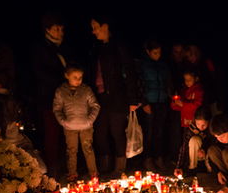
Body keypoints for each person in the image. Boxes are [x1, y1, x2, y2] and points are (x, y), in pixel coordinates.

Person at [87, 15, 139, 175]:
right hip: (100, 97)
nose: (93, 31)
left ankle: (120, 166)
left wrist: (132, 98)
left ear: (106, 26)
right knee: (100, 132)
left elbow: (130, 73)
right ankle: (105, 163)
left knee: (117, 132)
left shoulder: (119, 47)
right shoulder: (96, 48)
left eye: (96, 27)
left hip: (117, 97)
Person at [30, 12, 72, 175]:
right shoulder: (40, 48)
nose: (60, 32)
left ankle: (68, 167)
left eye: (62, 29)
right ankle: (53, 168)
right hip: (49, 98)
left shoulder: (65, 48)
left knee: (67, 134)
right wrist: (62, 80)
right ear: (47, 29)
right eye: (56, 29)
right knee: (51, 134)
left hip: (67, 98)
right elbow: (40, 72)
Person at [53, 64, 100, 181]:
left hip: (86, 126)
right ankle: (72, 173)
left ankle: (93, 173)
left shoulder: (86, 90)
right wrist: (63, 122)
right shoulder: (61, 91)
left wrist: (90, 121)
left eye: (80, 77)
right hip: (69, 127)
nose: (78, 80)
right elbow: (57, 108)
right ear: (66, 76)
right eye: (75, 77)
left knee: (88, 148)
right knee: (71, 150)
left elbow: (95, 106)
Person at [138, 39, 172, 170]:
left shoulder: (163, 65)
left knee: (160, 132)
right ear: (148, 52)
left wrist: (170, 95)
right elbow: (140, 84)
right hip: (149, 102)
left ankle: (159, 158)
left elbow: (167, 82)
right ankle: (147, 159)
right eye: (155, 52)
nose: (158, 55)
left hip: (162, 102)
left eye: (159, 52)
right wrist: (144, 102)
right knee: (149, 132)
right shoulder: (143, 65)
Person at [174, 105, 212, 178]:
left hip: (208, 157)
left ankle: (210, 171)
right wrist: (179, 166)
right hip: (195, 157)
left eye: (203, 125)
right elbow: (184, 148)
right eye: (198, 124)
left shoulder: (212, 129)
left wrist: (204, 150)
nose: (201, 127)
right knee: (194, 139)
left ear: (209, 121)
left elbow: (213, 143)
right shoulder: (190, 130)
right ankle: (192, 169)